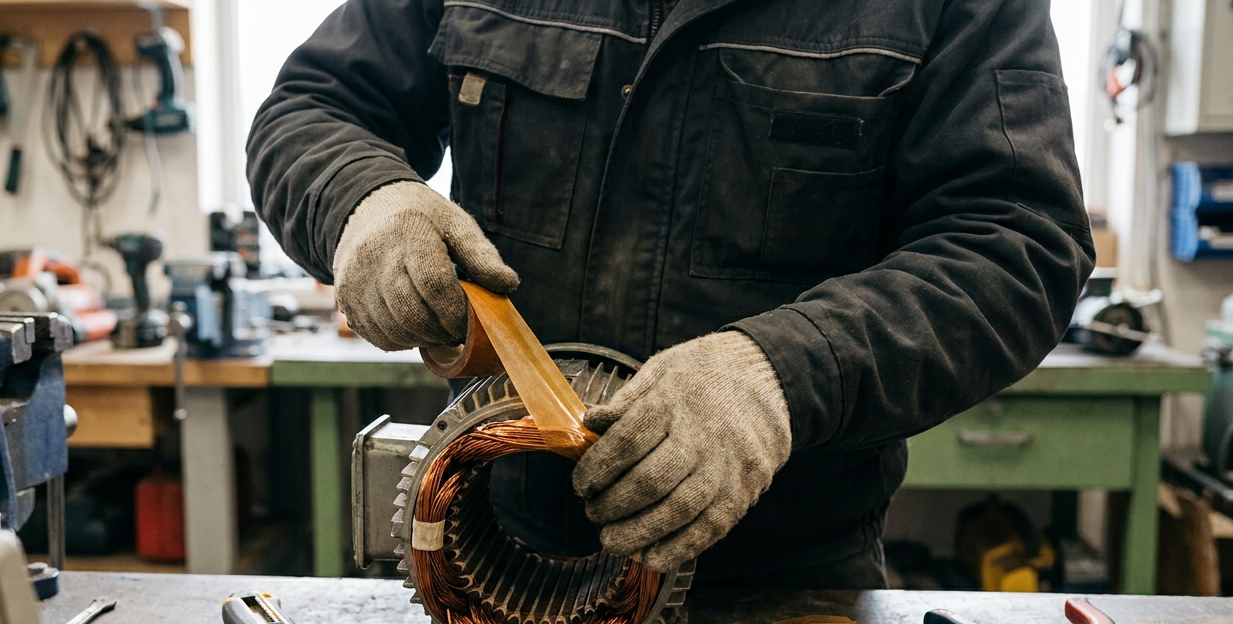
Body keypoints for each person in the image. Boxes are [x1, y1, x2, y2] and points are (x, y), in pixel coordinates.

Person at [247, 0, 1093, 588]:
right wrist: (362, 200)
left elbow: (1016, 243)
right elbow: (314, 107)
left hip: (783, 590)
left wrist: (781, 375)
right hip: (494, 558)